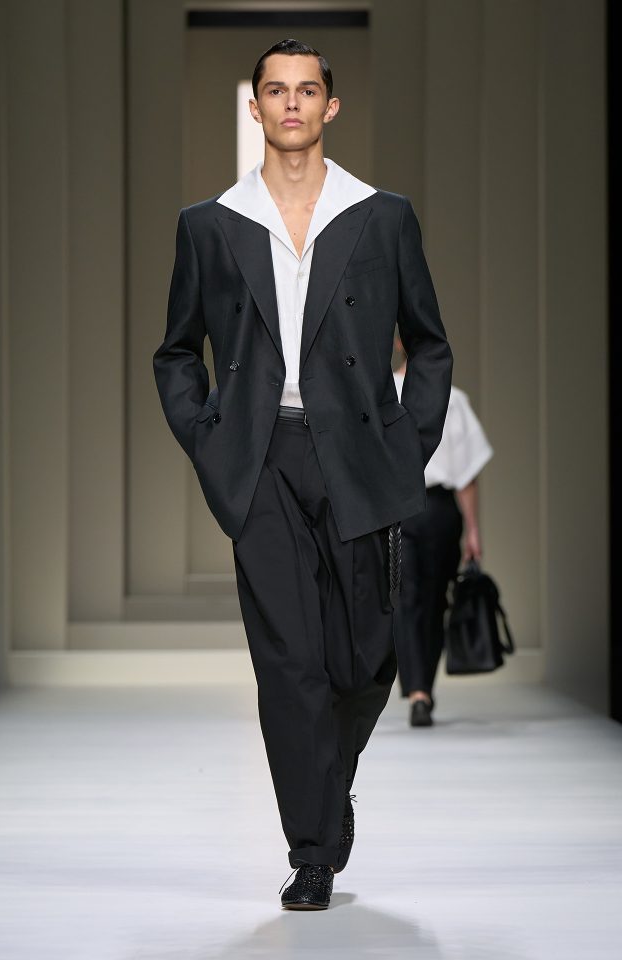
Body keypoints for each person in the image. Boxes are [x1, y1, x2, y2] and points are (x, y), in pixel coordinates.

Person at [153, 39, 452, 910]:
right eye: (276, 90)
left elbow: (429, 343)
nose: (292, 103)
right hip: (261, 458)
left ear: (330, 106)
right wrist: (210, 441)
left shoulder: (381, 216)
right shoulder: (211, 224)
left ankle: (329, 783)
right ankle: (312, 849)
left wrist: (408, 444)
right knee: (289, 661)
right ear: (255, 108)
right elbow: (176, 351)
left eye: (307, 89)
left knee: (367, 656)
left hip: (359, 454)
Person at [392, 340, 493, 727]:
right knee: (408, 598)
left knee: (430, 600)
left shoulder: (452, 399)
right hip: (400, 506)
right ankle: (418, 689)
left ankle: (421, 688)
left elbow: (466, 473)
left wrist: (474, 530)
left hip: (435, 508)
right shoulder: (381, 391)